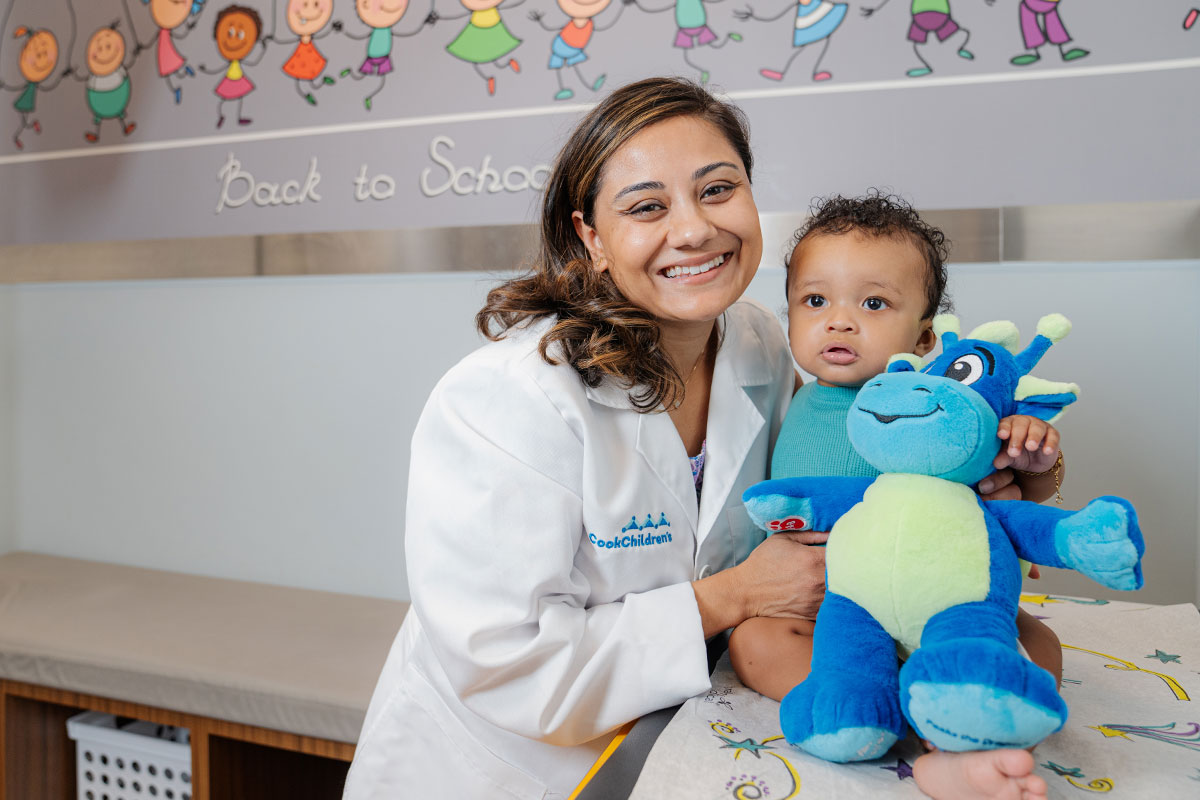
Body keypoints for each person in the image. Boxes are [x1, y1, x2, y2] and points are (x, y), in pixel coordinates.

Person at [343, 77, 820, 799]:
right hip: (500, 771)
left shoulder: (758, 343)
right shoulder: (509, 397)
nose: (694, 229)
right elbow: (516, 666)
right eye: (647, 207)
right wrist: (733, 595)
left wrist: (976, 467)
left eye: (718, 189)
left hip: (666, 744)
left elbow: (820, 469)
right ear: (591, 238)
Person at [728, 192, 1066, 800]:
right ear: (789, 315)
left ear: (926, 336)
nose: (839, 321)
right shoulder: (787, 396)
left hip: (935, 600)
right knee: (752, 644)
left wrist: (1032, 456)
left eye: (874, 303)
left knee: (1038, 644)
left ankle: (964, 735)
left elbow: (1016, 485)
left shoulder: (947, 409)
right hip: (829, 610)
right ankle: (905, 716)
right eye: (815, 301)